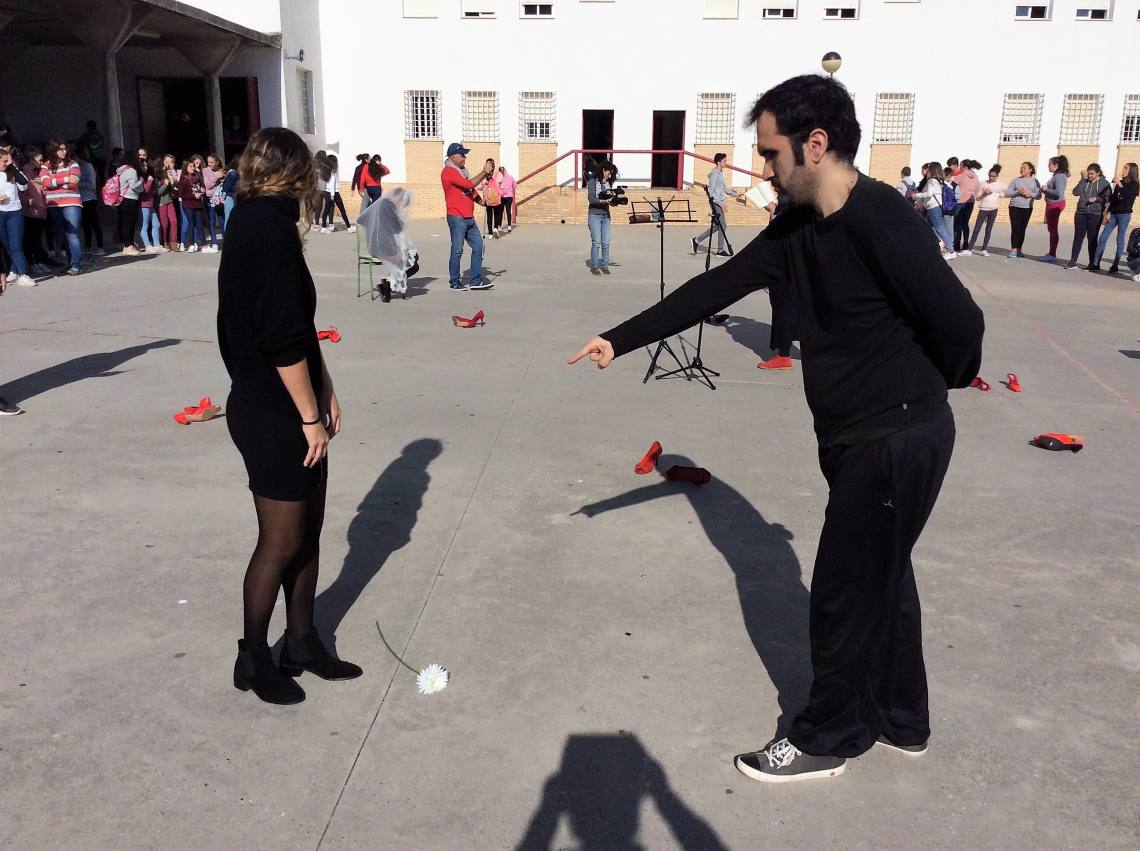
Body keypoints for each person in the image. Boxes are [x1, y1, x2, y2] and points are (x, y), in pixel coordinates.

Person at [568, 74, 985, 784]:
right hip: (857, 437)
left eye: (769, 153)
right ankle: (903, 718)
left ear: (814, 145)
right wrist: (620, 337)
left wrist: (924, 393)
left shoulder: (881, 217)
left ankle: (829, 735)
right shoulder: (796, 229)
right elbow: (715, 287)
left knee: (841, 594)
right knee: (884, 578)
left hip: (895, 438)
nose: (763, 167)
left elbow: (961, 323)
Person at [218, 126, 361, 706]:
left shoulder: (261, 220)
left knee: (309, 529)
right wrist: (308, 416)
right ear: (296, 173)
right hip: (271, 409)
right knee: (280, 539)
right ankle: (253, 658)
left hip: (290, 400)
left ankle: (301, 641)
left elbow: (298, 326)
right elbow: (279, 339)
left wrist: (326, 388)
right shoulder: (264, 228)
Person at [440, 142, 494, 291]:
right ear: (452, 156)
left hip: (469, 217)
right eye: (462, 154)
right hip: (456, 217)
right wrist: (484, 172)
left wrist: (481, 202)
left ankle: (475, 281)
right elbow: (469, 185)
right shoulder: (448, 172)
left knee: (479, 246)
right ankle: (454, 281)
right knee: (457, 250)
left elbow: (470, 191)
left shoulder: (462, 172)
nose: (465, 157)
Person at [359, 187, 417, 302]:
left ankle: (387, 284)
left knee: (412, 259)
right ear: (398, 197)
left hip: (373, 245)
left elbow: (361, 220)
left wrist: (376, 225)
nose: (401, 205)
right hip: (383, 247)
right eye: (402, 201)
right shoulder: (388, 206)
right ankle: (385, 287)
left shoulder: (380, 204)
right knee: (412, 265)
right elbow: (398, 229)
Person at [38, 139, 83, 275]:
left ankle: (76, 265)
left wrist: (53, 183)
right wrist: (65, 180)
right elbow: (44, 182)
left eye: (65, 148)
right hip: (54, 203)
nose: (64, 151)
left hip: (71, 202)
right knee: (62, 233)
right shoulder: (45, 166)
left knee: (72, 233)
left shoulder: (73, 164)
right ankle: (69, 263)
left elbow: (75, 181)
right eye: (60, 149)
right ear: (53, 150)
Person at [692, 153, 742, 258]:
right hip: (716, 203)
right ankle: (720, 250)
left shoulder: (720, 173)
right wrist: (721, 204)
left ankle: (696, 240)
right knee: (723, 225)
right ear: (718, 162)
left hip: (718, 202)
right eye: (724, 161)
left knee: (716, 226)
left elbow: (723, 188)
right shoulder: (714, 175)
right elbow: (712, 193)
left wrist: (735, 194)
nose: (726, 163)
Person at [1092, 162, 1138, 274]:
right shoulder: (1119, 183)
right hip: (1113, 214)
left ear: (1131, 171)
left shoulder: (1135, 184)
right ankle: (1095, 263)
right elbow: (1113, 199)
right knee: (1103, 237)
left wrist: (1120, 185)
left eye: (1126, 168)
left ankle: (1115, 265)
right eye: (1123, 168)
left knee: (1119, 239)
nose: (1123, 170)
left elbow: (1127, 198)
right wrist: (1108, 211)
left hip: (1124, 215)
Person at [0, 146, 34, 287]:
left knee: (16, 245)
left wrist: (13, 168)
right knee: (6, 244)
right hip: (0, 213)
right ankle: (14, 270)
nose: (6, 164)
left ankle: (23, 274)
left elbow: (24, 185)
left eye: (8, 161)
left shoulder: (13, 173)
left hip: (15, 212)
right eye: (4, 161)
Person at [1066, 163, 1110, 270]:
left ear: (1098, 173)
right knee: (1078, 237)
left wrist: (1097, 199)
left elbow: (1108, 198)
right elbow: (1075, 192)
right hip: (1081, 213)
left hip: (1095, 214)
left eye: (1092, 174)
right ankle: (1073, 261)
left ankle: (1093, 263)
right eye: (1088, 173)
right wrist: (1082, 179)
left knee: (1092, 239)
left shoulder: (1104, 183)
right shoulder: (1084, 182)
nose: (1089, 176)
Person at [914, 162, 956, 259]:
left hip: (934, 208)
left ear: (932, 169)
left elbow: (929, 194)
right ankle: (934, 245)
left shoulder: (932, 180)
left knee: (940, 228)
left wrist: (916, 195)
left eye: (928, 168)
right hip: (932, 208)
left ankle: (951, 251)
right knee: (926, 227)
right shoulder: (939, 181)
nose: (927, 170)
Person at [19, 146, 49, 274]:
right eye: (40, 160)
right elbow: (21, 193)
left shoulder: (38, 172)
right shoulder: (24, 172)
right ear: (32, 159)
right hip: (30, 210)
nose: (42, 163)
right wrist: (31, 202)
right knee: (30, 238)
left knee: (37, 237)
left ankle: (39, 261)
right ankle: (32, 263)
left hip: (41, 210)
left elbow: (42, 190)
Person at [586, 160, 617, 275]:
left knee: (606, 242)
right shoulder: (592, 181)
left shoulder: (607, 184)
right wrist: (605, 201)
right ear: (603, 170)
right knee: (596, 242)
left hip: (606, 215)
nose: (610, 176)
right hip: (594, 215)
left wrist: (615, 202)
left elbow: (609, 200)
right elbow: (592, 199)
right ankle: (595, 266)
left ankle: (604, 266)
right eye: (609, 173)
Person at [1004, 162, 1040, 259]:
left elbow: (1039, 195)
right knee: (1015, 228)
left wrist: (1029, 194)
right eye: (1021, 168)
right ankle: (1014, 250)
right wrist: (1017, 191)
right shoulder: (1015, 180)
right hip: (1014, 207)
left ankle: (1019, 250)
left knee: (1022, 229)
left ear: (1030, 169)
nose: (1022, 169)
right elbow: (1007, 193)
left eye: (1024, 168)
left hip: (1027, 208)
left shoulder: (1035, 181)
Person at [968, 165, 1006, 257]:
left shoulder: (1000, 184)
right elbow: (977, 198)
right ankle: (969, 249)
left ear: (997, 176)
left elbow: (1006, 193)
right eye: (989, 175)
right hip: (983, 209)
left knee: (988, 230)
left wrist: (1000, 194)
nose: (991, 178)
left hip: (993, 209)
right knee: (976, 229)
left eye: (993, 176)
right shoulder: (983, 183)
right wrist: (984, 194)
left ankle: (984, 249)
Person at [1039, 155, 1070, 262]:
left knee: (1053, 229)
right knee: (1051, 228)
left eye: (1050, 164)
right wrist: (1045, 191)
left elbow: (1058, 193)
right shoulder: (1056, 175)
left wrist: (1046, 189)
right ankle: (1051, 252)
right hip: (1051, 204)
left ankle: (1052, 254)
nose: (1048, 166)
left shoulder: (1059, 176)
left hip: (1055, 204)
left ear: (1056, 165)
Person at [75, 146, 103, 256]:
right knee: (85, 224)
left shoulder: (88, 167)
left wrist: (78, 183)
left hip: (90, 198)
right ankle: (88, 245)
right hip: (81, 199)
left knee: (94, 223)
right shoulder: (78, 167)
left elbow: (92, 185)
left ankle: (100, 246)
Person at [114, 152, 144, 255]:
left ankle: (129, 245)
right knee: (129, 223)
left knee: (126, 223)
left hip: (123, 199)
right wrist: (141, 181)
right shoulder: (131, 170)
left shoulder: (122, 169)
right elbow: (134, 186)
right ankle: (128, 246)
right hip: (130, 199)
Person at [950, 159, 980, 254]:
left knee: (957, 223)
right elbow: (978, 189)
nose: (960, 168)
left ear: (965, 167)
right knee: (965, 223)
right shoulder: (976, 177)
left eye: (961, 166)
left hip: (960, 202)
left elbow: (951, 187)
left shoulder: (961, 176)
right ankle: (966, 245)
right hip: (970, 202)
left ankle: (957, 245)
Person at [176, 158, 206, 252]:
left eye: (193, 166)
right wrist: (193, 195)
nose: (193, 168)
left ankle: (204, 245)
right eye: (190, 166)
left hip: (198, 204)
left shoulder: (197, 177)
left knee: (199, 224)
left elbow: (202, 186)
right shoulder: (184, 179)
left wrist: (202, 190)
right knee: (191, 224)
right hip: (188, 205)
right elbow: (181, 194)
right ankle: (191, 244)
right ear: (186, 168)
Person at [136, 159, 165, 253]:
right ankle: (147, 245)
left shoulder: (149, 176)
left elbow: (153, 191)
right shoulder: (140, 178)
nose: (145, 168)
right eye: (143, 166)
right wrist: (149, 181)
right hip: (143, 205)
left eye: (146, 166)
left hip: (150, 205)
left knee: (156, 224)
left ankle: (157, 245)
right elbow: (145, 190)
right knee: (144, 226)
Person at [154, 156, 179, 251]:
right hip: (161, 202)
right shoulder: (158, 175)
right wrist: (165, 184)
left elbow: (174, 189)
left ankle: (174, 242)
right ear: (163, 162)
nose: (169, 164)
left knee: (174, 221)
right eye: (167, 162)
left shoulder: (171, 173)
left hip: (170, 201)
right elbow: (158, 192)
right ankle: (164, 241)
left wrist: (173, 183)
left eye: (171, 162)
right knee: (164, 223)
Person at [477, 158, 505, 239]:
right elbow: (502, 187)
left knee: (489, 215)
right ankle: (495, 228)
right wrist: (500, 194)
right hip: (496, 197)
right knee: (497, 214)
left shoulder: (484, 174)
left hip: (487, 198)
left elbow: (481, 187)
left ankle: (490, 233)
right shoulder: (498, 174)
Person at [326, 155, 354, 233]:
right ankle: (348, 227)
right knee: (342, 210)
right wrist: (333, 194)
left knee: (328, 210)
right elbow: (333, 184)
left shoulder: (327, 171)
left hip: (329, 192)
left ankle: (327, 226)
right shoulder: (334, 172)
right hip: (335, 193)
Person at [203, 153, 226, 249]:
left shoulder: (222, 170)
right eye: (208, 162)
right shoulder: (205, 171)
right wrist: (216, 178)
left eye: (212, 162)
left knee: (222, 219)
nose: (210, 164)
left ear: (217, 162)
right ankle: (214, 242)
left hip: (220, 198)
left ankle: (226, 240)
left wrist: (223, 178)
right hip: (210, 198)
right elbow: (207, 185)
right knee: (211, 220)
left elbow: (225, 184)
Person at [220, 156, 239, 235]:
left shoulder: (234, 172)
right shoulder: (233, 173)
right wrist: (222, 198)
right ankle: (227, 236)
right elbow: (226, 187)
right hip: (230, 197)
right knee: (228, 218)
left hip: (232, 197)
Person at [498, 165, 517, 232]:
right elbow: (515, 185)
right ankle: (509, 226)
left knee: (501, 211)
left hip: (502, 196)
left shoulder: (499, 178)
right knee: (508, 210)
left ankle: (500, 226)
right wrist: (509, 188)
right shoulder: (510, 177)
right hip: (509, 196)